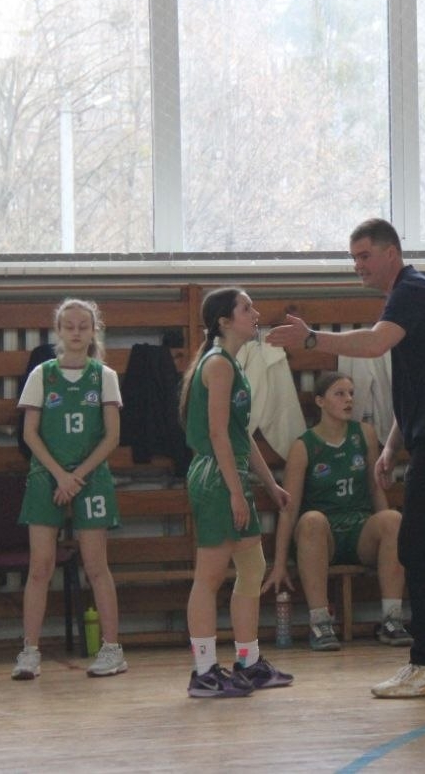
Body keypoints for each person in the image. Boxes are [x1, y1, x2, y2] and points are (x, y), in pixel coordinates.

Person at [267, 218, 425, 699]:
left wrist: (312, 339)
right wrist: (390, 446)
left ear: (392, 253)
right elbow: (416, 388)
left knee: (416, 546)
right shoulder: (408, 299)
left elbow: (372, 343)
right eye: (353, 258)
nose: (358, 266)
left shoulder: (412, 291)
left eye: (365, 256)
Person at [180, 287, 292, 698]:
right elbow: (216, 434)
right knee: (209, 576)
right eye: (247, 308)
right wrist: (234, 492)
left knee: (253, 565)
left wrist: (269, 484)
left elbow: (239, 435)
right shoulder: (218, 365)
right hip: (216, 476)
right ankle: (204, 671)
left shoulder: (232, 363)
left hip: (232, 472)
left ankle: (248, 660)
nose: (255, 313)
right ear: (224, 321)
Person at [15, 298, 126, 680]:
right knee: (40, 566)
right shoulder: (42, 374)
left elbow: (112, 436)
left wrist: (77, 475)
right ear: (59, 331)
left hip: (90, 476)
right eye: (69, 326)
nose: (76, 332)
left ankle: (112, 649)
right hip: (47, 474)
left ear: (94, 331)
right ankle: (29, 652)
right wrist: (60, 475)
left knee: (96, 566)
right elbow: (30, 433)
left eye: (83, 326)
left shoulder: (104, 376)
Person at [267, 371, 412, 651]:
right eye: (340, 393)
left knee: (393, 519)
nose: (348, 400)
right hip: (323, 537)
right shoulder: (304, 446)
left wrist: (393, 540)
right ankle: (320, 623)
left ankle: (392, 620)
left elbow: (376, 489)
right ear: (320, 401)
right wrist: (280, 562)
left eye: (351, 394)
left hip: (359, 531)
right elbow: (289, 508)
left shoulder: (364, 434)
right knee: (311, 520)